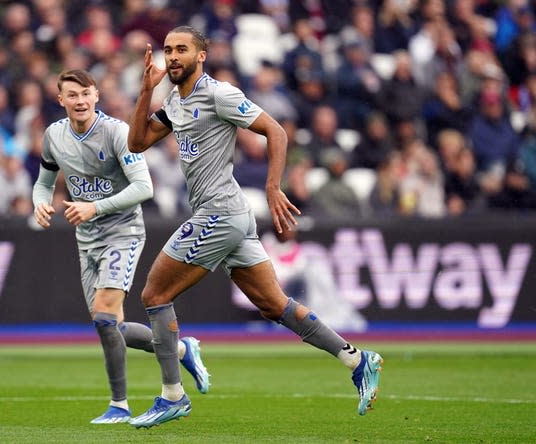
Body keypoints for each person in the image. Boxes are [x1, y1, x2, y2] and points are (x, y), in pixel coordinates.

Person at [127, 26, 383, 428]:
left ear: (201, 56)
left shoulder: (219, 94)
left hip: (219, 213)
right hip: (231, 218)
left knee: (155, 294)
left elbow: (276, 131)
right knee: (274, 305)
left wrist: (271, 186)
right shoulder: (175, 101)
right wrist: (146, 90)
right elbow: (137, 143)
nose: (172, 56)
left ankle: (172, 394)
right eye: (168, 50)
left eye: (182, 50)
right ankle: (357, 358)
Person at [31, 69, 210, 425]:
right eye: (72, 95)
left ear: (96, 95)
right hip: (87, 239)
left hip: (123, 231)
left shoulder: (116, 132)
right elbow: (43, 182)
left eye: (85, 93)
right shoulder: (53, 135)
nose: (80, 101)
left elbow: (145, 187)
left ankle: (119, 405)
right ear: (61, 100)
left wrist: (94, 206)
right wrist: (39, 202)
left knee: (104, 316)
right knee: (108, 324)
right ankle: (179, 348)